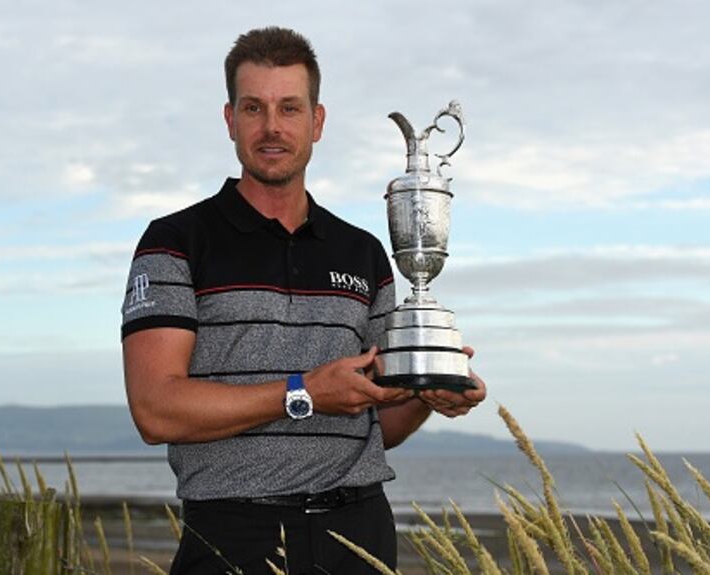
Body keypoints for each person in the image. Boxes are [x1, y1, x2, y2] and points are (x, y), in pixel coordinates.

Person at [120, 26, 487, 575]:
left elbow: (373, 425)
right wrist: (304, 392)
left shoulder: (363, 252)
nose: (272, 127)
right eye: (254, 108)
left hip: (358, 533)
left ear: (316, 122)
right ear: (230, 120)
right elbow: (155, 410)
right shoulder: (175, 241)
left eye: (290, 108)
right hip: (235, 533)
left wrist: (427, 392)